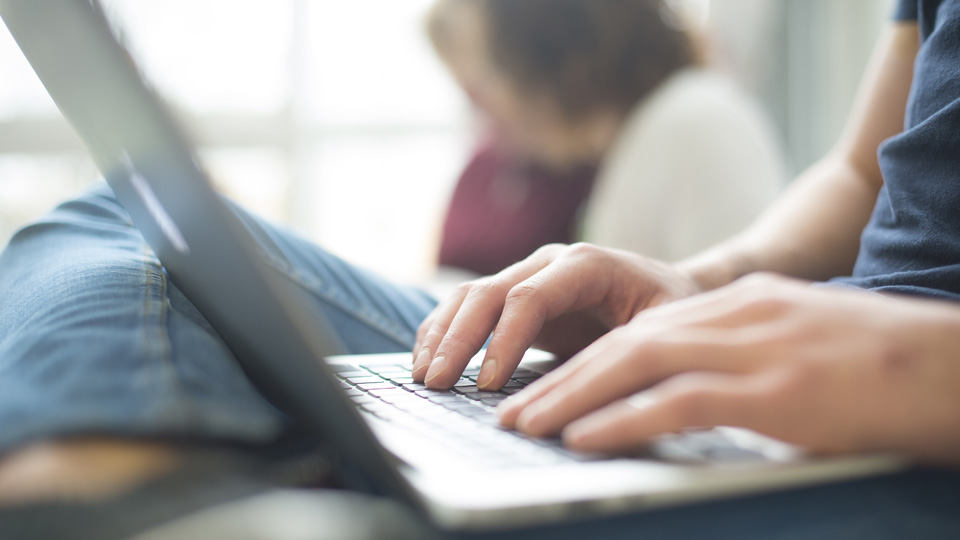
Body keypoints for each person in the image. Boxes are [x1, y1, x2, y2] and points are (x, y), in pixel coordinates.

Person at [2, 0, 960, 538]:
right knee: (123, 226)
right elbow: (860, 172)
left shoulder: (690, 122)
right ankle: (115, 503)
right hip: (817, 371)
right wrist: (702, 284)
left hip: (922, 428)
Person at [429, 0, 784, 276]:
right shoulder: (639, 139)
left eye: (495, 71)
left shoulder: (693, 120)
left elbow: (740, 311)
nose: (492, 101)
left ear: (551, 56)